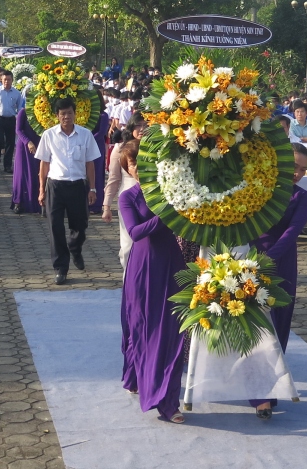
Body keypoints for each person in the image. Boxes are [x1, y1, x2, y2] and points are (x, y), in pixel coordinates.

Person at [118, 139, 187, 425]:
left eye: (141, 162)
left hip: (172, 262)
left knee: (171, 332)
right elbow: (135, 232)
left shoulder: (169, 190)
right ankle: (138, 375)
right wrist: (165, 214)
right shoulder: (128, 197)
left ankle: (168, 402)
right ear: (127, 168)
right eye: (132, 163)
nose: (137, 168)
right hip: (143, 267)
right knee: (142, 329)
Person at [249, 142, 307, 419]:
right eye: (294, 167)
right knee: (256, 327)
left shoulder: (302, 197)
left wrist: (267, 259)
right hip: (250, 261)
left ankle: (270, 389)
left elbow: (291, 233)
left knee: (279, 326)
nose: (297, 174)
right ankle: (259, 396)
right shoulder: (258, 189)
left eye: (303, 169)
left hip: (282, 263)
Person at [36, 97, 102, 285]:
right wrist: (41, 190)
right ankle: (61, 267)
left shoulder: (85, 134)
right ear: (57, 116)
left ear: (75, 114)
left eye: (70, 113)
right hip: (55, 186)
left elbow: (90, 163)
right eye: (63, 114)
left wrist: (92, 188)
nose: (66, 117)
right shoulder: (48, 135)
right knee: (55, 227)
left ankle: (75, 247)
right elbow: (44, 164)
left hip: (78, 186)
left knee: (80, 226)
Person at [104, 120, 149, 269]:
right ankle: (128, 279)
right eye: (138, 125)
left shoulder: (155, 147)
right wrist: (107, 205)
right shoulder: (120, 148)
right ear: (131, 128)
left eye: (145, 125)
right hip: (129, 201)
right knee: (128, 244)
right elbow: (114, 179)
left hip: (151, 198)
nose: (142, 129)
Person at [0, 70, 24, 173]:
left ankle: (7, 165)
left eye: (9, 79)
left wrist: (19, 119)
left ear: (12, 80)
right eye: (4, 79)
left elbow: (20, 108)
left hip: (11, 119)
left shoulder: (17, 93)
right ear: (1, 79)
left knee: (10, 142)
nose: (6, 81)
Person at [12, 108, 42, 215]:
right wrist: (28, 142)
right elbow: (18, 130)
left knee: (36, 172)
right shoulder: (23, 112)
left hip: (39, 144)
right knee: (21, 174)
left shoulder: (45, 110)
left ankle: (36, 202)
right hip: (24, 146)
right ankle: (18, 202)